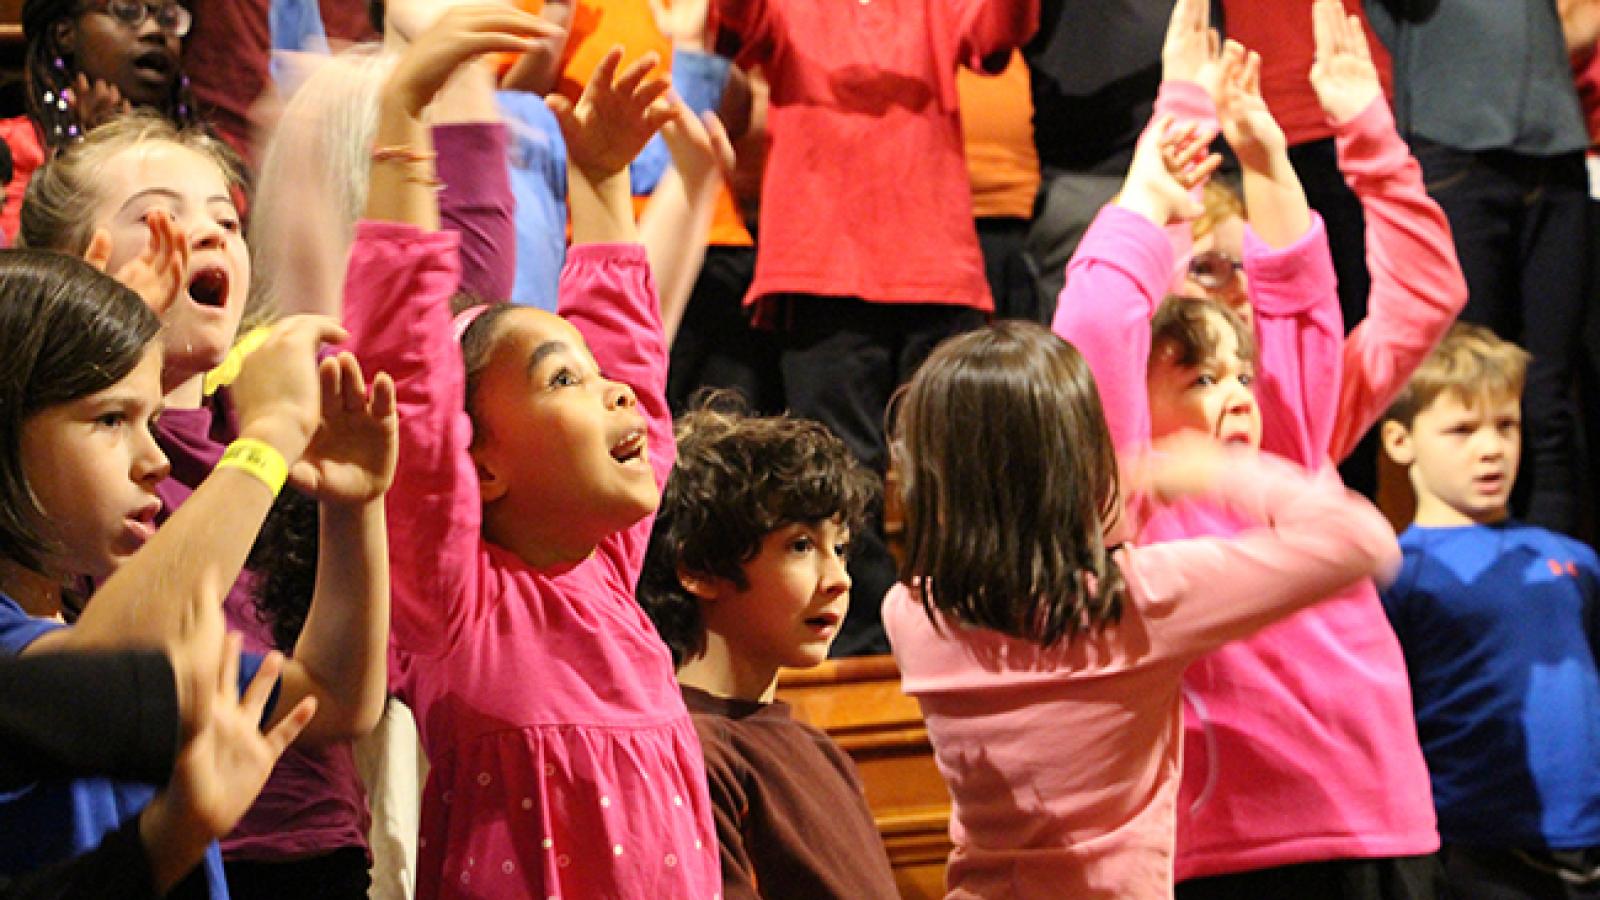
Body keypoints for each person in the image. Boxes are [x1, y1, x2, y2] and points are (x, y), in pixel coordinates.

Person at [1054, 2, 1469, 894]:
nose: (1233, 301)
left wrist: (1353, 133)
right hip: (1235, 848)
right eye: (1206, 270)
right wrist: (1178, 129)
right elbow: (1101, 318)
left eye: (1245, 276)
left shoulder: (1289, 432)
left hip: (1376, 820)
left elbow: (1323, 302)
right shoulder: (1126, 474)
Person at [335, 8, 720, 895]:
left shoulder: (606, 572)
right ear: (483, 466)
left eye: (595, 376)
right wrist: (401, 116)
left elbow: (629, 356)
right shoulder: (453, 602)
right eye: (561, 380)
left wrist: (600, 176)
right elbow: (412, 395)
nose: (615, 389)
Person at [884, 315, 1400, 898]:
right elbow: (1360, 540)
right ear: (1079, 459)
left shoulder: (909, 614)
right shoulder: (1138, 600)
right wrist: (1219, 471)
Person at [0, 247, 371, 898]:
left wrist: (351, 505)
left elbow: (333, 697)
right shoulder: (34, 647)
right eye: (111, 419)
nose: (155, 461)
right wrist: (269, 437)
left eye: (152, 420)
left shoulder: (82, 623)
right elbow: (106, 677)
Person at [711, 0, 1039, 656]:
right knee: (839, 479)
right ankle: (863, 649)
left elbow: (1002, 26)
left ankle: (972, 640)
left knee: (962, 474)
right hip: (821, 263)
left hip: (935, 266)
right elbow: (735, 20)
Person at [636, 401, 898, 899]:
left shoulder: (819, 752)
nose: (839, 579)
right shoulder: (693, 753)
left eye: (839, 548)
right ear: (699, 568)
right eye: (801, 546)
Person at [1379, 324, 1600, 898]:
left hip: (1587, 841)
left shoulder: (1570, 559)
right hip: (1480, 853)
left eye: (1506, 426)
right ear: (1401, 442)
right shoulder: (1397, 574)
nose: (1491, 447)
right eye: (1462, 429)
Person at [1366, 0, 1590, 539]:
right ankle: (1474, 584)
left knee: (1548, 398)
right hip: (1455, 146)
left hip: (1553, 145)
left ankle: (1552, 580)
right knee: (1466, 385)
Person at [0, 0, 205, 243]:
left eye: (168, 18)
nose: (155, 31)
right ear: (65, 34)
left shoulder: (202, 152)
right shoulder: (14, 146)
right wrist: (91, 151)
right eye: (127, 11)